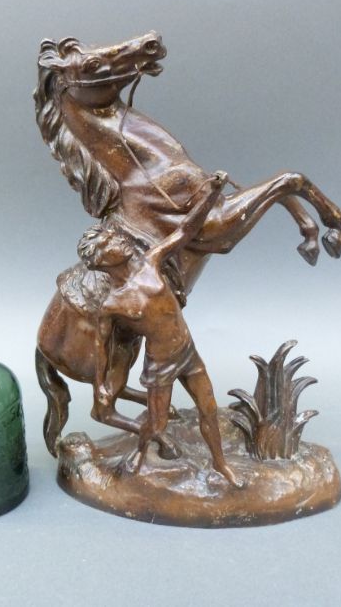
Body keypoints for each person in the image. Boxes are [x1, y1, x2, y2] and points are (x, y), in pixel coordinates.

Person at [78, 172, 242, 487]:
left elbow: (185, 231)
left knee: (208, 408)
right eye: (110, 242)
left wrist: (212, 193)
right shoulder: (112, 305)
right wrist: (100, 385)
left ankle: (221, 465)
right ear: (101, 260)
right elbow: (101, 346)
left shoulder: (149, 262)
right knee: (156, 425)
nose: (118, 240)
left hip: (187, 352)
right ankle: (140, 451)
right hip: (160, 365)